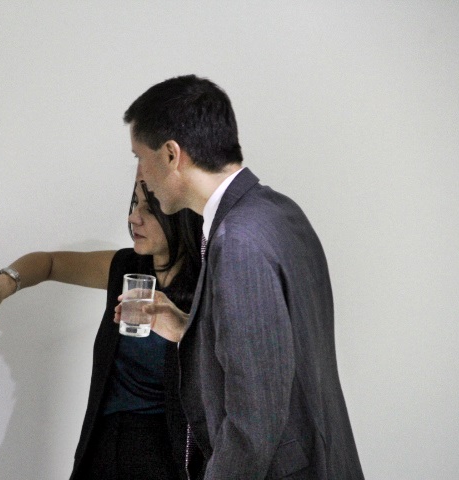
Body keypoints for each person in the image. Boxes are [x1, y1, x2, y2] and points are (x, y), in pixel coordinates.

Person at [122, 75, 364, 479]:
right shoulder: (277, 210)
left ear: (171, 155)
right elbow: (276, 356)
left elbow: (254, 422)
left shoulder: (237, 241)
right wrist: (188, 328)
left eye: (139, 157)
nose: (140, 176)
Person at [0, 180, 203, 480]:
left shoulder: (210, 285)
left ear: (180, 214)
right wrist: (4, 285)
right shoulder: (125, 267)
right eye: (135, 204)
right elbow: (50, 263)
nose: (133, 217)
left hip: (166, 455)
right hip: (103, 444)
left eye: (149, 209)